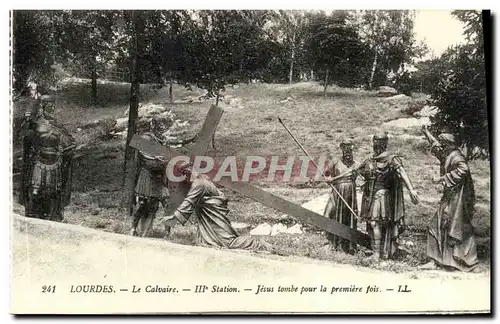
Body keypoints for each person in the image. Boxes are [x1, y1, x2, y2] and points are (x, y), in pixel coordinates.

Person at [160, 164, 272, 251]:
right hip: (210, 213)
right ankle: (208, 241)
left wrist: (174, 217)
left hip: (213, 213)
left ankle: (257, 243)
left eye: (185, 173)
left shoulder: (199, 184)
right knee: (214, 240)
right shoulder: (202, 181)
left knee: (228, 241)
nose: (185, 177)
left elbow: (189, 201)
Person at [419, 125, 479, 272]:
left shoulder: (457, 157)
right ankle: (437, 260)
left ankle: (463, 261)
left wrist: (441, 179)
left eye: (442, 143)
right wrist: (427, 133)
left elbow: (463, 170)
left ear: (448, 144)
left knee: (454, 227)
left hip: (457, 199)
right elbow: (436, 145)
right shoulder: (448, 153)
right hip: (449, 196)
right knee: (438, 225)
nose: (440, 146)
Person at [355, 132, 420, 260]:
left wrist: (411, 189)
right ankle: (379, 252)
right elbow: (359, 171)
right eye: (374, 142)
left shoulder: (391, 158)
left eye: (378, 142)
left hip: (382, 195)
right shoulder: (371, 159)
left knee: (375, 223)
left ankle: (377, 254)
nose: (375, 145)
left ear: (384, 143)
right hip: (370, 195)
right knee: (372, 223)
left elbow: (402, 172)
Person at [19, 94, 76, 221]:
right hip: (39, 162)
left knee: (53, 192)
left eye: (53, 106)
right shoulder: (35, 123)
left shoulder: (57, 125)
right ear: (42, 106)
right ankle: (34, 214)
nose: (51, 108)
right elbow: (24, 136)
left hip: (55, 163)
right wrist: (27, 123)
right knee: (36, 190)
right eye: (48, 106)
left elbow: (71, 142)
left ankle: (52, 216)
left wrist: (65, 150)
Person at [129, 118, 171, 237]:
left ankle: (167, 233)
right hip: (147, 175)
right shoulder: (142, 140)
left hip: (158, 177)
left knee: (166, 203)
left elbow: (163, 157)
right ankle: (133, 228)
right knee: (143, 203)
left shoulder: (157, 140)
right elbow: (149, 158)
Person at [322, 139, 360, 254]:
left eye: (349, 150)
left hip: (350, 194)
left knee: (347, 219)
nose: (347, 153)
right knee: (328, 215)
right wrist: (327, 179)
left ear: (352, 150)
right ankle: (331, 242)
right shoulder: (335, 162)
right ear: (342, 150)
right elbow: (325, 173)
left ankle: (348, 246)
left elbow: (365, 177)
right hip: (337, 192)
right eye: (345, 150)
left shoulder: (356, 165)